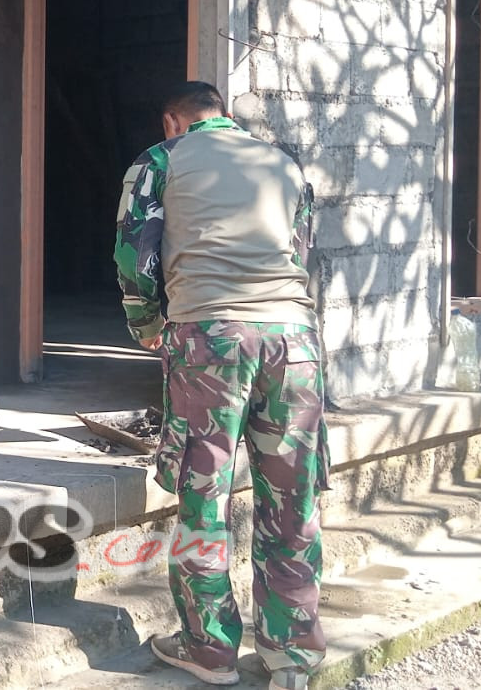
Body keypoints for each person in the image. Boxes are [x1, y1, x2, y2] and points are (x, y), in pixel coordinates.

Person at [113, 81, 329, 690]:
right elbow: (301, 250)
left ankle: (208, 650)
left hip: (211, 339)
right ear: (226, 118)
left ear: (172, 121)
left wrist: (148, 324)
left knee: (203, 494)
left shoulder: (160, 160)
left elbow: (135, 252)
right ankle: (293, 656)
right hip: (295, 342)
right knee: (294, 500)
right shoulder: (285, 165)